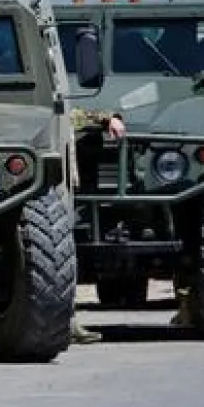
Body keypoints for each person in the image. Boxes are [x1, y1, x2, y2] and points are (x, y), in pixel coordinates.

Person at [66, 107, 127, 344]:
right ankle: (66, 323)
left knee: (68, 256)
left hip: (65, 193)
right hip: (41, 192)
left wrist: (110, 118)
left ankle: (68, 322)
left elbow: (77, 114)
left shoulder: (62, 113)